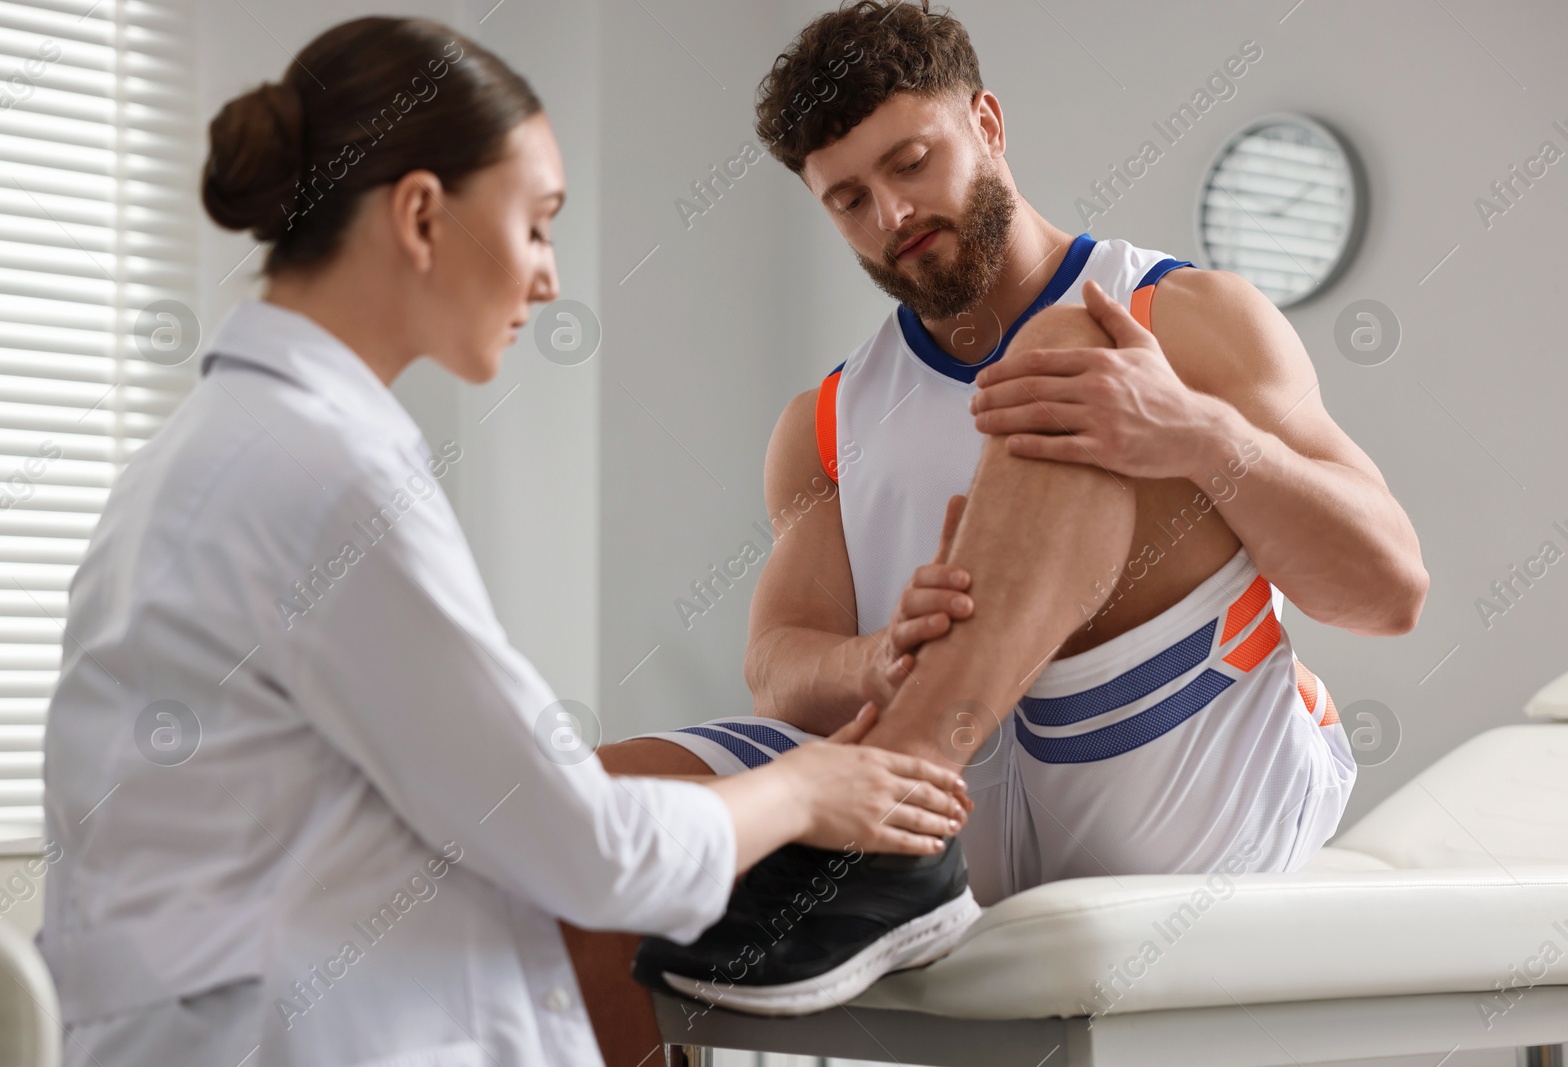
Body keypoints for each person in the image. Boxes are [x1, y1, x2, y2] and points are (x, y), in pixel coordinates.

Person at [35, 17, 971, 1067]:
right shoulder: (326, 477)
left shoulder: (194, 458)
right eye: (537, 225)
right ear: (422, 215)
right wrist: (808, 788)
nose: (549, 280)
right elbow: (588, 849)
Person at [573, 0, 1428, 1034]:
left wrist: (1198, 434)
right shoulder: (828, 418)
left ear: (986, 124)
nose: (889, 213)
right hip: (951, 820)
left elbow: (1389, 591)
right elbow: (778, 667)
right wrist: (877, 654)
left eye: (912, 162)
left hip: (1169, 764)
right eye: (847, 197)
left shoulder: (1174, 315)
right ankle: (899, 813)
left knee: (1071, 349)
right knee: (583, 818)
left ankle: (894, 811)